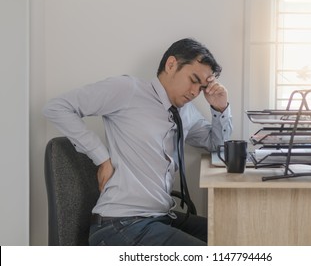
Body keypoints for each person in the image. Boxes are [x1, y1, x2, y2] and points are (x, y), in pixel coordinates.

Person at [43, 38, 233, 246]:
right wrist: (101, 157)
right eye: (193, 80)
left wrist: (220, 109)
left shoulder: (185, 112)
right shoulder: (127, 90)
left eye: (202, 87)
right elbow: (57, 108)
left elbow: (217, 147)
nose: (195, 92)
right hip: (120, 225)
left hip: (159, 219)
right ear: (171, 65)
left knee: (231, 236)